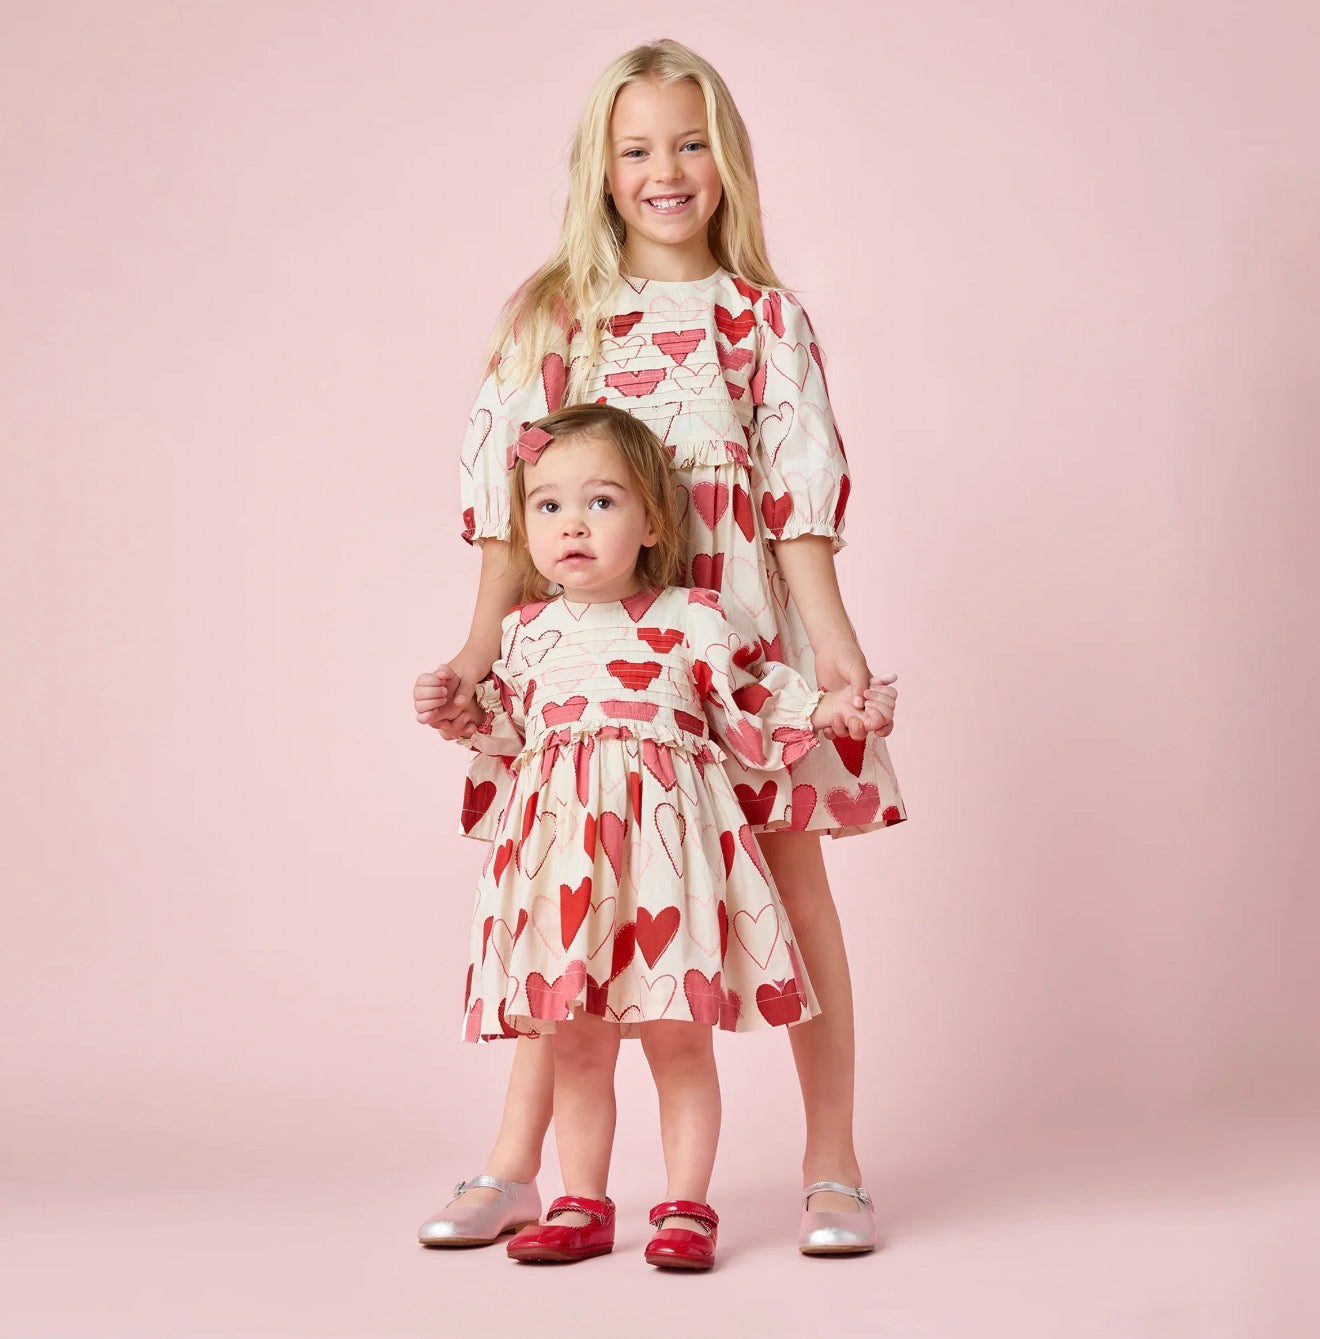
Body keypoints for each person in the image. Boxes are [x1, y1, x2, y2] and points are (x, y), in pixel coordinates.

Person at [415, 37, 906, 1256]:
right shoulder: (557, 317)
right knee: (568, 897)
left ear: (725, 162)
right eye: (638, 149)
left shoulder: (760, 317)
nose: (666, 170)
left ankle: (832, 1163)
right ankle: (517, 1164)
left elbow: (793, 504)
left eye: (689, 144)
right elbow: (505, 509)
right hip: (594, 654)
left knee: (795, 882)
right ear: (601, 166)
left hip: (736, 638)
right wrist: (481, 649)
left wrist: (832, 652)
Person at [429, 404, 894, 1268]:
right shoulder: (527, 634)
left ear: (651, 523)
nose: (572, 524)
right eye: (548, 506)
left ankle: (686, 1206)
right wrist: (457, 709)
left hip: (663, 877)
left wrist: (835, 708)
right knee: (574, 1045)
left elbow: (754, 705)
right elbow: (504, 729)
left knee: (679, 1039)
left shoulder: (694, 618)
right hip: (568, 867)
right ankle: (579, 1203)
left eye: (602, 503)